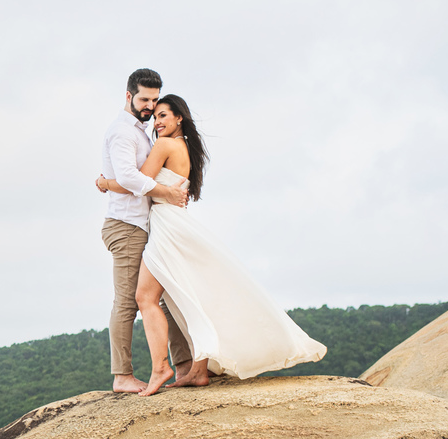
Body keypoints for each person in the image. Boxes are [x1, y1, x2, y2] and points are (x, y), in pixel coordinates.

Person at [97, 94, 326, 396]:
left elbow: (137, 183)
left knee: (145, 297)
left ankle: (159, 369)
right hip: (174, 223)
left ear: (180, 118)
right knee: (185, 295)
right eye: (156, 117)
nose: (158, 121)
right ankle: (198, 370)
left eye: (164, 115)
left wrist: (105, 182)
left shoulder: (166, 145)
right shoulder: (184, 147)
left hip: (167, 227)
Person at [99, 68, 194, 394]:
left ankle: (183, 365)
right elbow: (128, 177)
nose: (150, 106)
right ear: (128, 96)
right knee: (129, 301)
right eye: (144, 99)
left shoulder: (146, 133)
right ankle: (122, 375)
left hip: (149, 226)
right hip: (127, 226)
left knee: (163, 296)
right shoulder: (124, 132)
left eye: (154, 100)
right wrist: (165, 192)